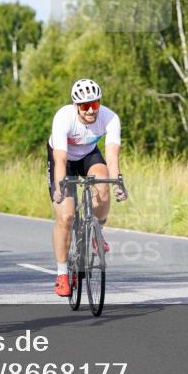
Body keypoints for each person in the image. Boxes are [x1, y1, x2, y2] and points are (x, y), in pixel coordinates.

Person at [48, 79, 126, 297]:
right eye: (85, 106)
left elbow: (111, 156)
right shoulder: (64, 117)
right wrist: (59, 187)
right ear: (76, 106)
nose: (91, 110)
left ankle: (96, 232)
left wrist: (118, 181)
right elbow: (60, 159)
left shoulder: (109, 117)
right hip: (63, 159)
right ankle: (62, 275)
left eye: (95, 104)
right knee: (66, 216)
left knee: (103, 183)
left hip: (89, 154)